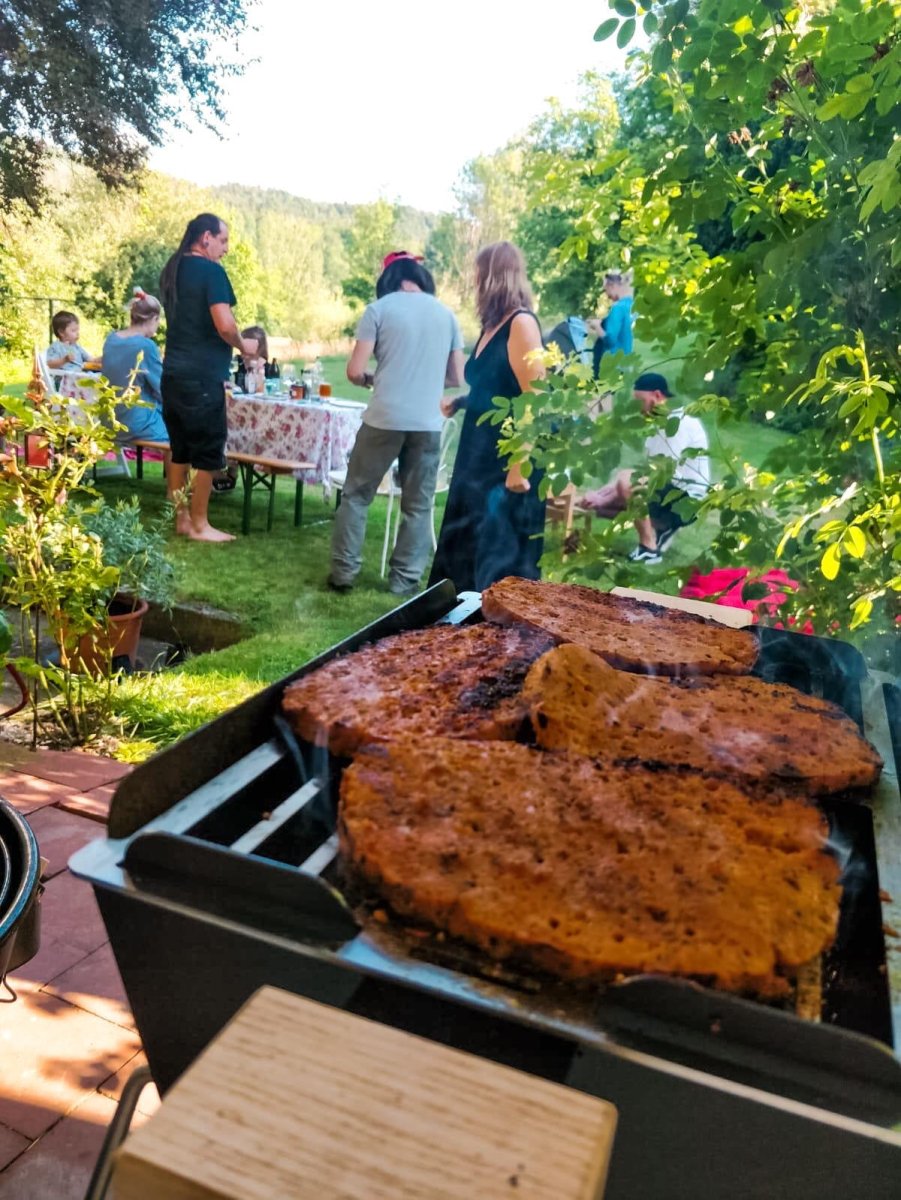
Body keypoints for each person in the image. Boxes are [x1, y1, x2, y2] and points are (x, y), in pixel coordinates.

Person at [327, 251, 464, 596]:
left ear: (389, 281)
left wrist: (376, 378)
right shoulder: (447, 316)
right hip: (427, 422)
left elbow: (354, 371)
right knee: (418, 505)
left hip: (384, 417)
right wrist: (423, 379)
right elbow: (456, 377)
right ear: (421, 280)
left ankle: (344, 573)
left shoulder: (379, 310)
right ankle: (404, 581)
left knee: (357, 495)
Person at [428, 242, 546, 594]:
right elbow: (498, 388)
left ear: (493, 277)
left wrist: (519, 464)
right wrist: (462, 401)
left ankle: (494, 625)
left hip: (505, 461)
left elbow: (536, 397)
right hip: (475, 458)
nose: (474, 281)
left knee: (496, 557)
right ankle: (454, 621)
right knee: (463, 547)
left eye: (478, 274)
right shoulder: (492, 324)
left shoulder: (521, 324)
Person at [158, 213, 259, 542]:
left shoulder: (173, 269)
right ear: (206, 238)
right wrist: (244, 345)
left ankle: (181, 519)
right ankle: (201, 525)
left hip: (173, 373)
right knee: (207, 451)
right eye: (223, 240)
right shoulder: (211, 271)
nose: (225, 249)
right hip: (202, 376)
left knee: (180, 449)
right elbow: (225, 324)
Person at [580, 372, 711, 563]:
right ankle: (663, 526)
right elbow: (645, 472)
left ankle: (649, 548)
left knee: (626, 481)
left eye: (640, 401)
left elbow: (658, 476)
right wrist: (601, 495)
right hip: (669, 493)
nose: (638, 409)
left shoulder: (678, 423)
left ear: (657, 396)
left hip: (687, 501)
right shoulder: (658, 425)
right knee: (601, 506)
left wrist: (606, 497)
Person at [101, 290, 170, 458]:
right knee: (180, 432)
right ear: (154, 319)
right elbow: (163, 388)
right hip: (136, 422)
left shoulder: (111, 340)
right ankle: (177, 477)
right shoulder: (146, 346)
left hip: (109, 419)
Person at [590, 269, 634, 378]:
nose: (606, 295)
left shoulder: (617, 308)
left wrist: (597, 326)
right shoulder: (631, 306)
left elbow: (610, 340)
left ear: (613, 286)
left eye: (606, 290)